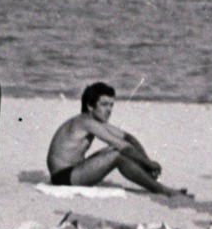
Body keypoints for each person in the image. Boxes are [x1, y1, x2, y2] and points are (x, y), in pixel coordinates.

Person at [46, 82, 187, 196]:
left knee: (117, 150)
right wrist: (148, 163)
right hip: (63, 176)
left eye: (111, 105)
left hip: (76, 168)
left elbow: (128, 138)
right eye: (104, 104)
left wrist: (146, 164)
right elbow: (121, 146)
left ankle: (155, 184)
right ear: (90, 106)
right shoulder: (85, 122)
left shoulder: (94, 121)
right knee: (118, 154)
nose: (109, 109)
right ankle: (162, 190)